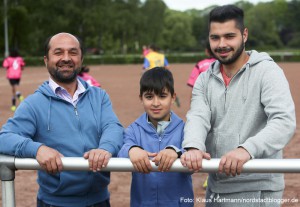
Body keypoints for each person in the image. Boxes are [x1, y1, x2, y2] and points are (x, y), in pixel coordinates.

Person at [180, 5, 296, 207]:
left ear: (244, 35)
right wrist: (193, 146)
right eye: (215, 38)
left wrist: (246, 149)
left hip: (258, 188)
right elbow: (198, 116)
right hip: (216, 187)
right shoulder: (204, 80)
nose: (221, 44)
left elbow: (283, 121)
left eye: (229, 36)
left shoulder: (268, 72)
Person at [0, 32, 123, 207]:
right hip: (53, 203)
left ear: (81, 58)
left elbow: (113, 127)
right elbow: (4, 137)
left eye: (73, 52)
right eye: (58, 52)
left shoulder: (99, 96)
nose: (66, 58)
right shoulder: (34, 103)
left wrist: (105, 148)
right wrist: (37, 149)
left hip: (100, 200)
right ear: (46, 60)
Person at [118, 67, 193, 207]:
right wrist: (132, 149)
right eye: (149, 97)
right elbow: (121, 148)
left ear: (173, 97)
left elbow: (193, 151)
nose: (156, 103)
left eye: (162, 96)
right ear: (141, 98)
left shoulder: (186, 129)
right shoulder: (133, 129)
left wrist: (175, 151)